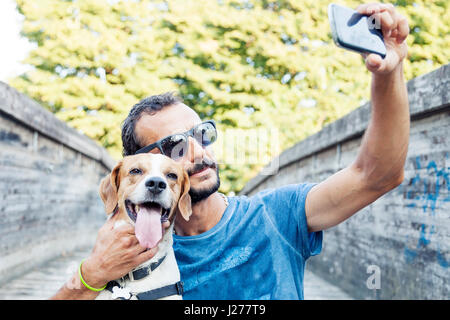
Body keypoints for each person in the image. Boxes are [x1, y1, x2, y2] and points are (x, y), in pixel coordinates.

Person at [51, 2, 410, 300]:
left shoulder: (275, 216)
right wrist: (93, 273)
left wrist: (388, 74)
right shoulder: (124, 254)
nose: (197, 152)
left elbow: (378, 176)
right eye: (176, 146)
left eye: (201, 134)